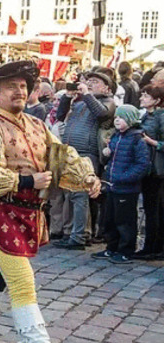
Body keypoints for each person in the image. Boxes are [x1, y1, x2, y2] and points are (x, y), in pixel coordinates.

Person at [0, 61, 100, 343]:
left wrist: (87, 176)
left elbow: (62, 155)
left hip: (30, 215)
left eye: (23, 86)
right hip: (0, 215)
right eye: (11, 86)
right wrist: (27, 181)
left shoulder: (37, 126)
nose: (20, 91)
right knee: (22, 283)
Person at [54, 71, 116, 249]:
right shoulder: (81, 103)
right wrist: (67, 97)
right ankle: (73, 232)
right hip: (71, 152)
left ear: (107, 88)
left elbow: (102, 115)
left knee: (81, 195)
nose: (89, 84)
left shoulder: (108, 102)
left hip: (87, 154)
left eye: (95, 82)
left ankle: (79, 236)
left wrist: (87, 94)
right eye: (88, 81)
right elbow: (60, 115)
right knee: (70, 195)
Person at [91, 105, 149, 264]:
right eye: (116, 117)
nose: (117, 120)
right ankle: (112, 247)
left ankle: (126, 250)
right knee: (110, 219)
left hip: (127, 188)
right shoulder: (116, 136)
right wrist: (107, 152)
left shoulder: (137, 139)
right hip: (112, 186)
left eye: (121, 118)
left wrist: (123, 177)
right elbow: (112, 157)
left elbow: (142, 165)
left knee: (125, 221)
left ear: (130, 120)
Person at [136, 83, 164, 260]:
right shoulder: (146, 116)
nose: (141, 98)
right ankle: (149, 246)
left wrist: (150, 141)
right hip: (148, 169)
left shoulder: (161, 117)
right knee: (149, 208)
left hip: (158, 170)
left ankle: (157, 247)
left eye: (146, 96)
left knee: (157, 210)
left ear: (157, 100)